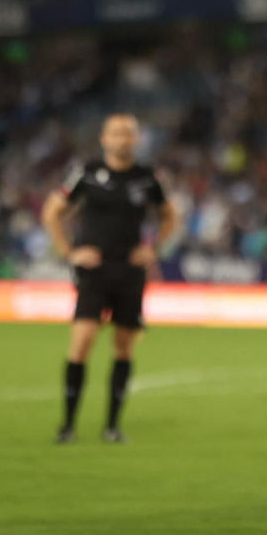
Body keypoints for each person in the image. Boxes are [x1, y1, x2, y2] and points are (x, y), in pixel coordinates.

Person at [42, 114, 178, 444]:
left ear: (136, 140)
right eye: (116, 133)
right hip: (93, 271)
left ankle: (113, 427)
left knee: (123, 348)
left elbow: (169, 214)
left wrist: (154, 247)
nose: (122, 139)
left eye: (129, 134)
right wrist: (67, 251)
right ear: (104, 138)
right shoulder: (86, 173)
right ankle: (68, 425)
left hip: (130, 271)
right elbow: (53, 210)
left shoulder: (146, 178)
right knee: (82, 341)